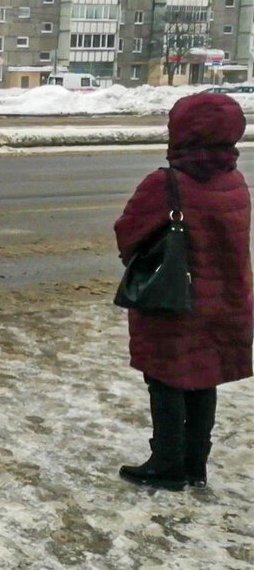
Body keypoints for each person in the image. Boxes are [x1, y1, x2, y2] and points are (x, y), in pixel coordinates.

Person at [114, 91, 252, 490]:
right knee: (202, 379)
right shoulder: (236, 182)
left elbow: (128, 232)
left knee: (166, 378)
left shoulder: (165, 184)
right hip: (224, 300)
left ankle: (166, 464)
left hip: (173, 301)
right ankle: (195, 464)